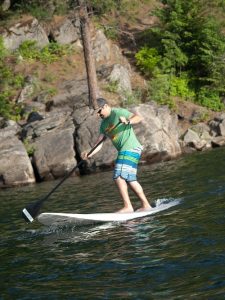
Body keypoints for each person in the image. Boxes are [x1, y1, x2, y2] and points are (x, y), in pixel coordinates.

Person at [82, 98, 152, 213]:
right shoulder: (103, 124)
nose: (98, 114)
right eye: (96, 113)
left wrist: (128, 121)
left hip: (130, 147)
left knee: (118, 176)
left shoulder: (118, 112)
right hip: (129, 150)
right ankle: (146, 205)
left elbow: (138, 118)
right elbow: (99, 143)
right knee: (130, 179)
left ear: (105, 106)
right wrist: (89, 153)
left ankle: (128, 207)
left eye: (99, 111)